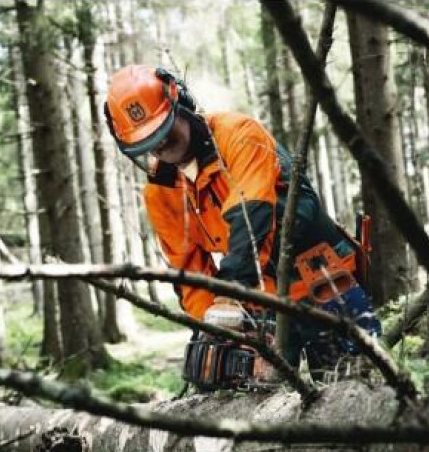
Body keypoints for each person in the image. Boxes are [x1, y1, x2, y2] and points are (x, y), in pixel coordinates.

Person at [103, 64, 380, 378]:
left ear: (180, 103)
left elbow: (251, 216)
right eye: (148, 142)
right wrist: (214, 325)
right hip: (263, 299)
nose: (161, 145)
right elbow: (189, 272)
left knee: (352, 382)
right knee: (253, 389)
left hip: (322, 279)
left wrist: (232, 293)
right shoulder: (162, 192)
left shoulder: (238, 135)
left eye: (164, 130)